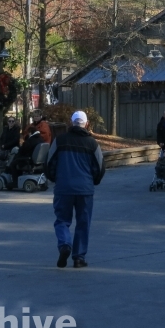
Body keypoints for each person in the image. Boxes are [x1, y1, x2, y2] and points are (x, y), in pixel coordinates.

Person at [45, 111, 105, 269]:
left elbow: (49, 162)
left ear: (71, 123)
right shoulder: (92, 143)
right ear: (86, 124)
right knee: (83, 223)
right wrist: (93, 181)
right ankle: (79, 257)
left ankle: (65, 244)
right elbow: (99, 167)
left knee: (62, 220)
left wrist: (55, 178)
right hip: (85, 189)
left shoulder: (60, 140)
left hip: (63, 187)